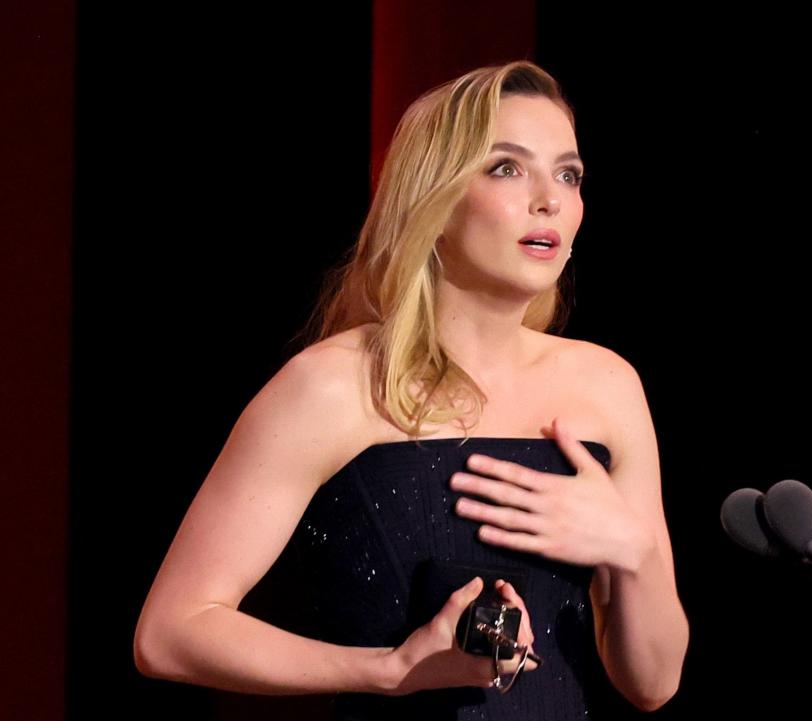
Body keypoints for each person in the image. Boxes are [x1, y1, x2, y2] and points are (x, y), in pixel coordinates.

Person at [133, 59, 688, 719]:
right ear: (436, 195)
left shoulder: (608, 386)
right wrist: (387, 671)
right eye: (507, 167)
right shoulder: (333, 386)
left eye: (568, 175)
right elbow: (170, 632)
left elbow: (654, 682)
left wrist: (633, 553)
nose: (551, 199)